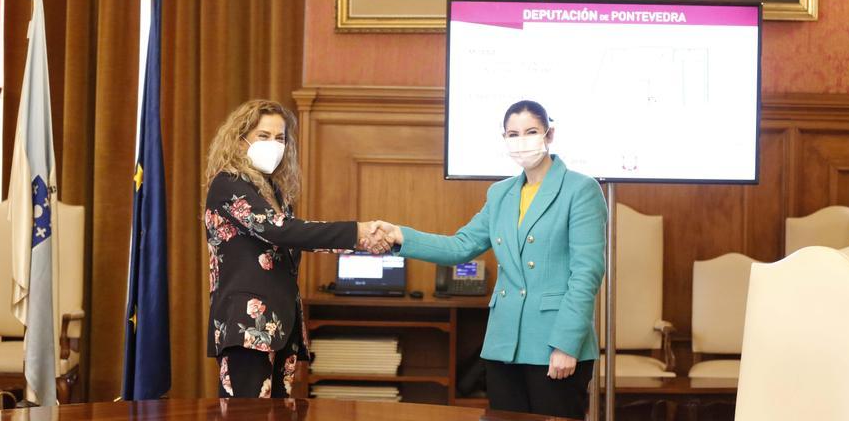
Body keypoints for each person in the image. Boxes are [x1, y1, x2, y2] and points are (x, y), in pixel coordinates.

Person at [373, 100, 607, 418]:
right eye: (513, 133)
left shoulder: (581, 189)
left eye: (531, 131)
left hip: (556, 345)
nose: (522, 140)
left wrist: (566, 344)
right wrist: (400, 235)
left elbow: (587, 273)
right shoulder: (500, 194)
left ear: (549, 135)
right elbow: (460, 246)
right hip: (503, 343)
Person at [203, 100, 387, 398]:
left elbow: (293, 234)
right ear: (239, 140)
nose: (274, 144)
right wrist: (357, 232)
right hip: (248, 327)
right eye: (263, 136)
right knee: (245, 415)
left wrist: (361, 240)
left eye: (280, 138)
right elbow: (281, 230)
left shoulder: (272, 191)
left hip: (279, 325)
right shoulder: (228, 184)